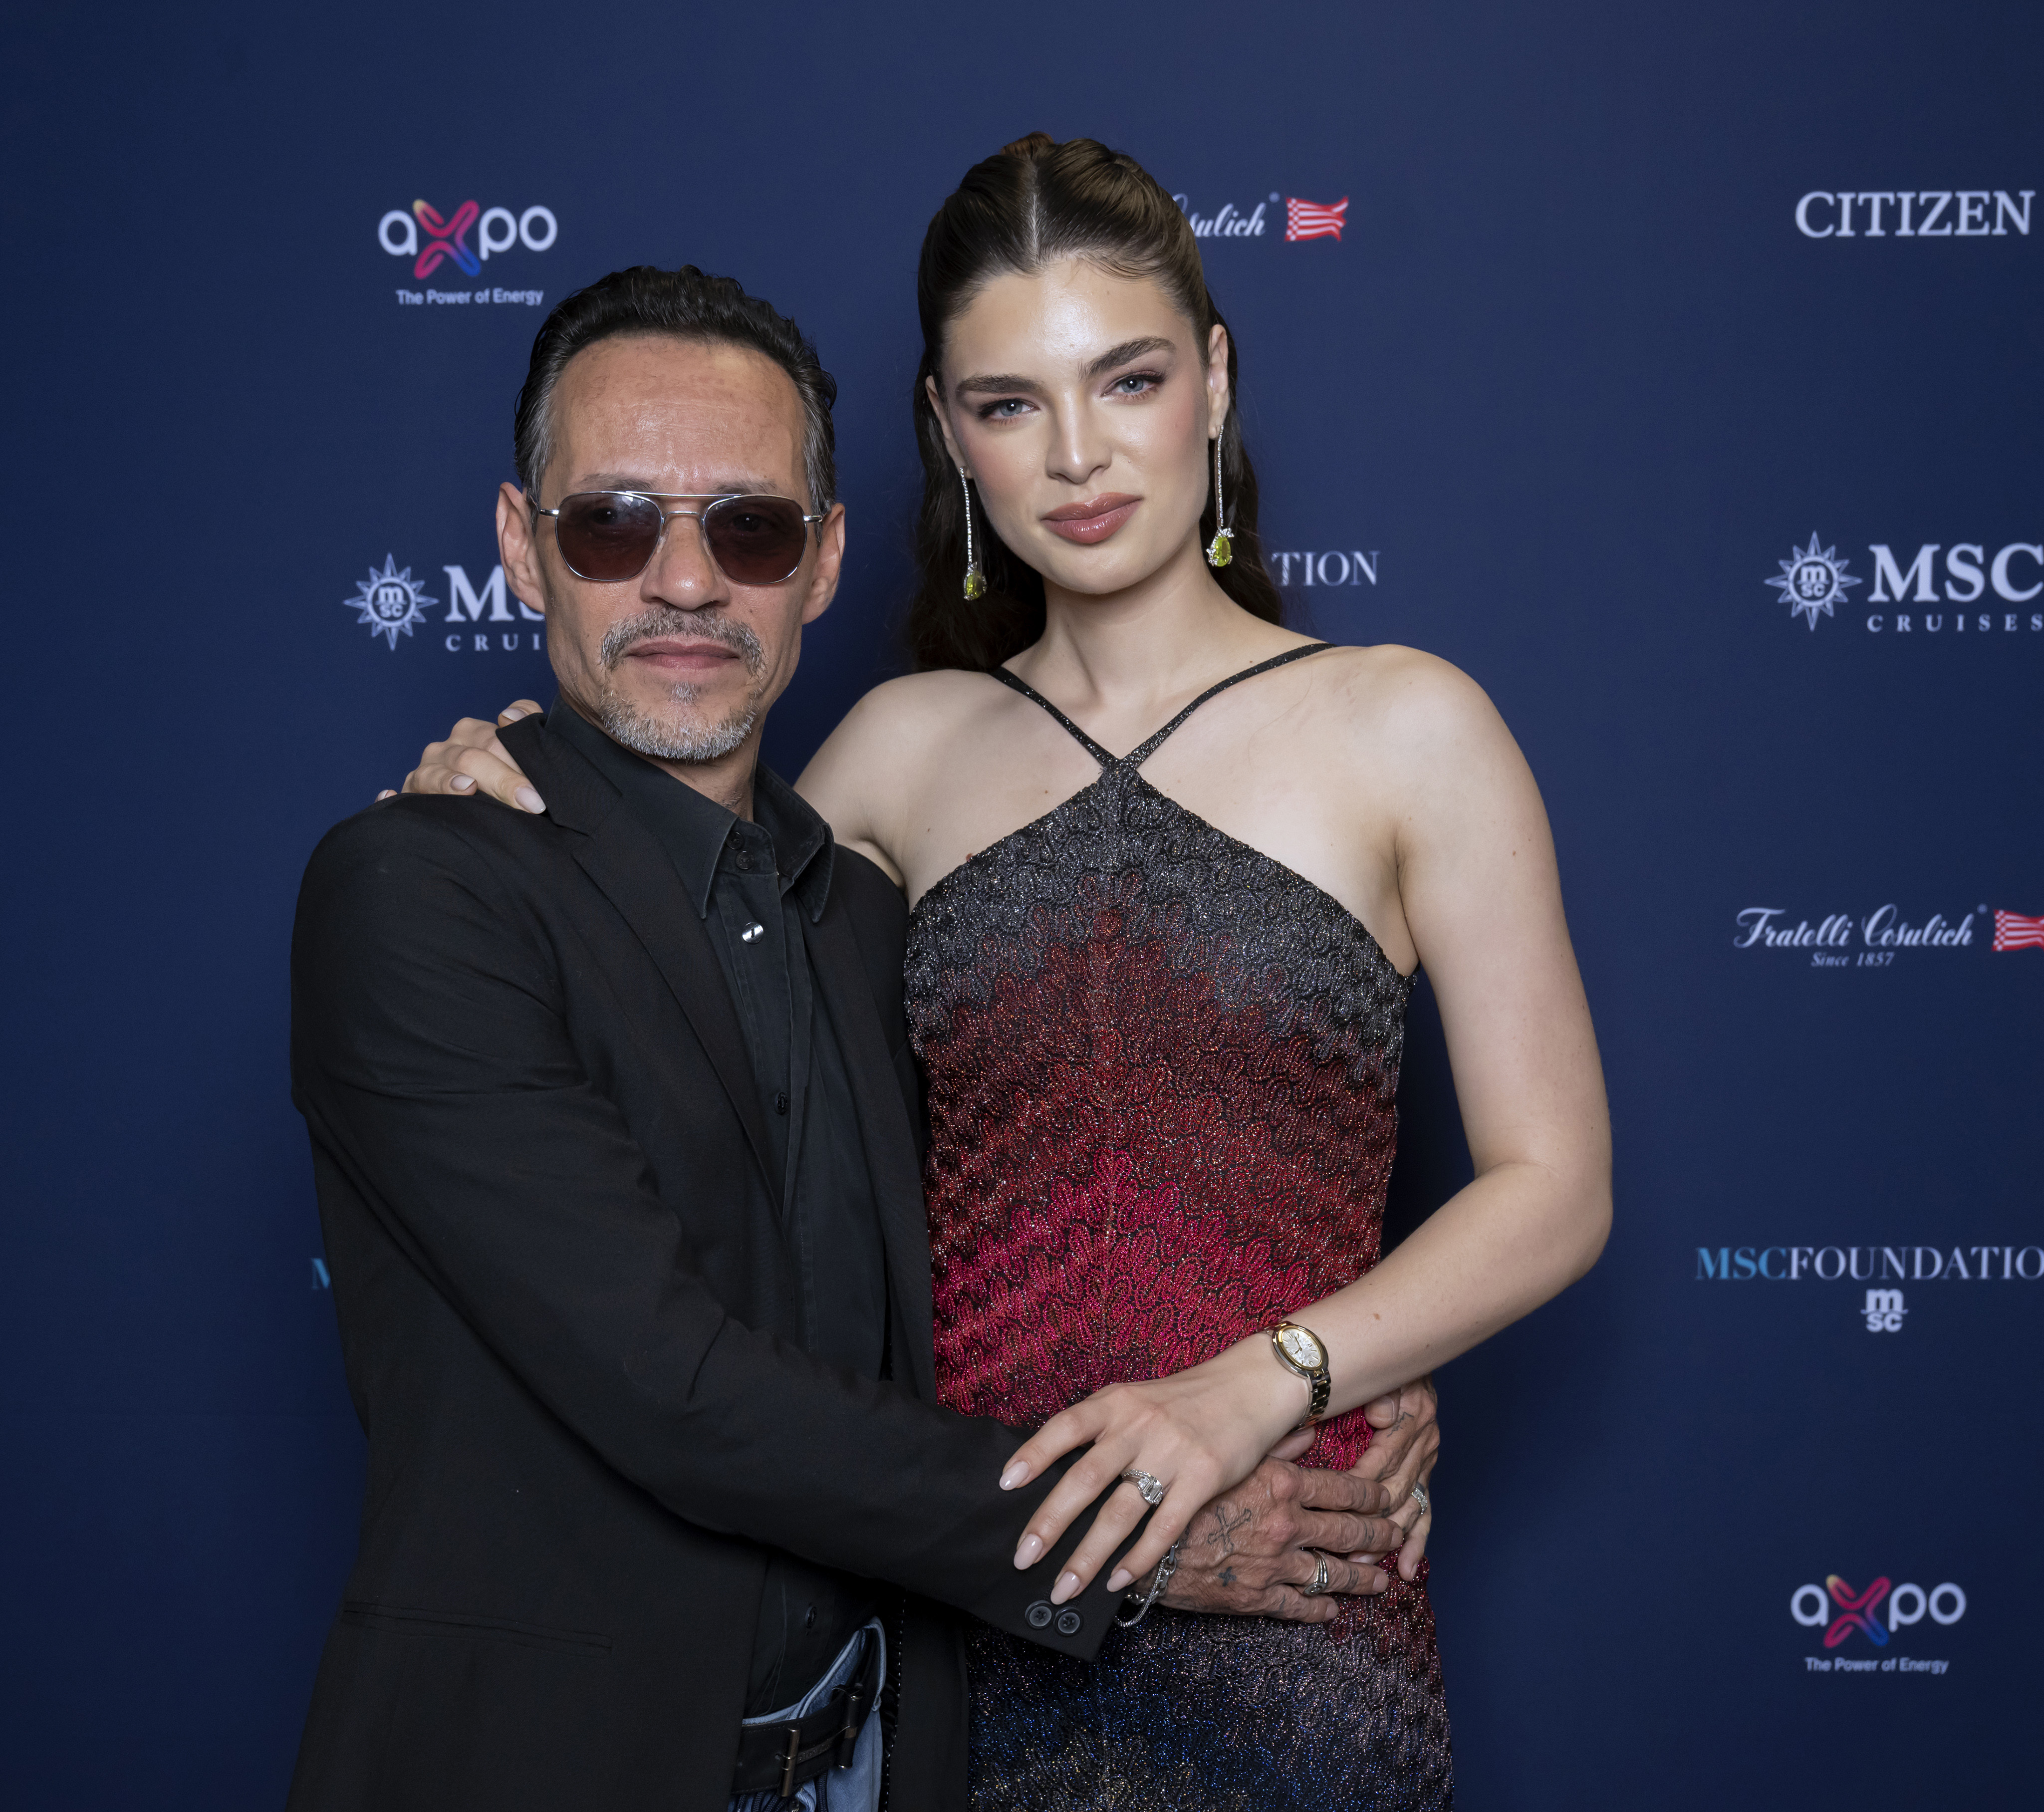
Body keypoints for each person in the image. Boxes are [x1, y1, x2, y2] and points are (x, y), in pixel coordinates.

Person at [404, 135, 1610, 1809]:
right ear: (945, 433)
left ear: (1217, 379)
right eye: (1009, 404)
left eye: (1127, 379)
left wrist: (1292, 1375)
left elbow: (1554, 1186)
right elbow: (689, 1047)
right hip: (983, 1616)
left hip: (1290, 1594)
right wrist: (498, 797)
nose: (1081, 454)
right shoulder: (896, 751)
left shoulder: (1410, 725)